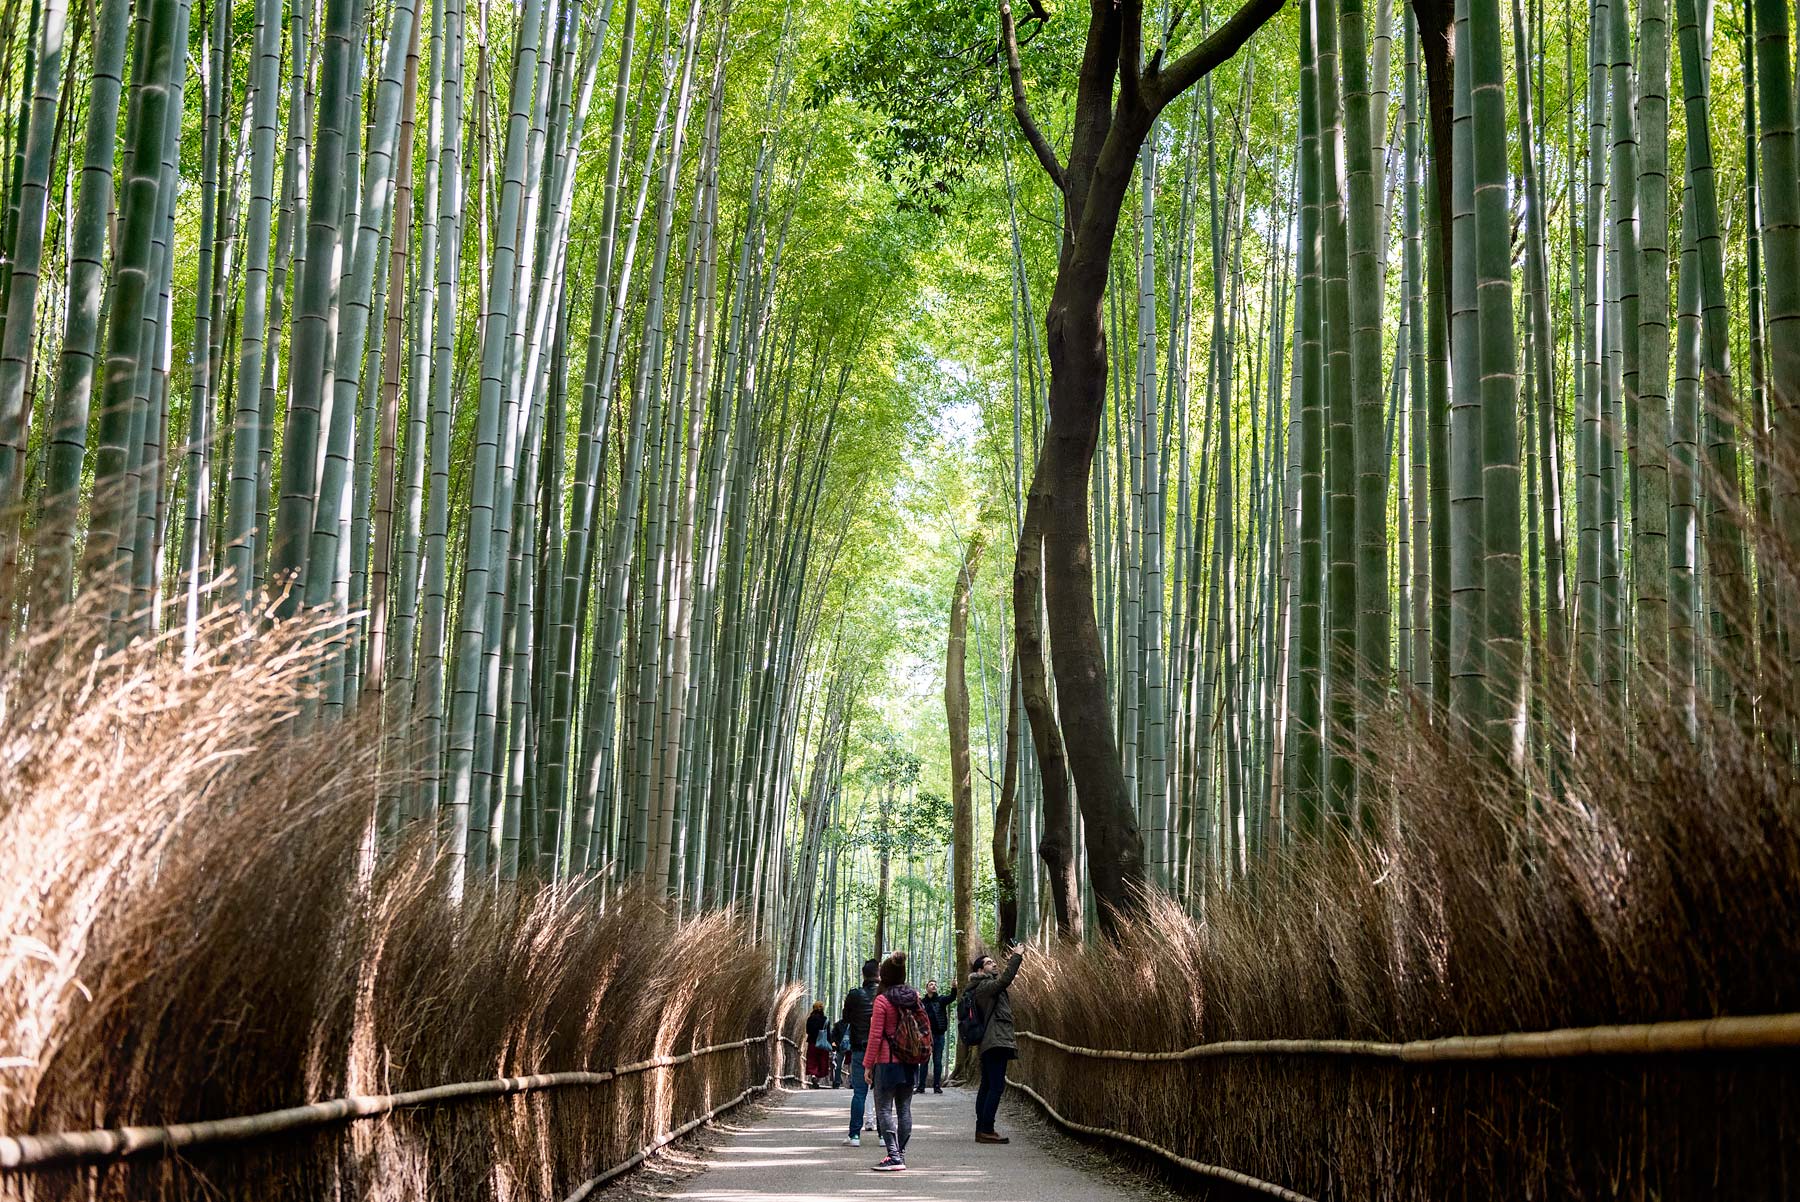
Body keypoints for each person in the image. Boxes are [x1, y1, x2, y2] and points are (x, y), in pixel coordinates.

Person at [863, 950, 929, 1171]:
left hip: (886, 1062)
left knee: (883, 1109)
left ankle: (893, 1156)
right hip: (909, 1061)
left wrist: (867, 1065)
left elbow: (875, 1035)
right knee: (904, 1109)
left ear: (884, 976)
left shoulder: (882, 1001)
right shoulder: (914, 998)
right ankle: (900, 1154)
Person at [965, 942, 1023, 1144]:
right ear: (980, 970)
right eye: (989, 963)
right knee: (996, 1086)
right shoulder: (984, 986)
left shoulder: (984, 986)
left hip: (992, 1041)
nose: (994, 965)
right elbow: (1005, 981)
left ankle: (982, 1128)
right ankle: (986, 1128)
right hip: (994, 1041)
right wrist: (1016, 956)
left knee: (988, 1085)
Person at [839, 958, 879, 1145]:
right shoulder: (886, 994)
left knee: (859, 1093)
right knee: (881, 1093)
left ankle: (854, 1135)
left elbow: (845, 1018)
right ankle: (883, 1136)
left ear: (864, 975)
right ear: (879, 975)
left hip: (860, 1048)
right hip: (881, 1050)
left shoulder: (855, 995)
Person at [918, 979, 956, 1093]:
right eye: (931, 984)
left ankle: (937, 1086)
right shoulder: (922, 1002)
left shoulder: (941, 1000)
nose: (934, 986)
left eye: (935, 984)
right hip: (925, 1036)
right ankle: (921, 1086)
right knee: (924, 1061)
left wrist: (954, 988)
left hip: (939, 1035)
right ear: (927, 988)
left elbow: (952, 998)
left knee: (937, 1061)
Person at [804, 1000, 831, 1087]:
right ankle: (817, 1080)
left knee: (812, 1061)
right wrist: (831, 1045)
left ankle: (813, 1076)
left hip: (812, 1043)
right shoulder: (825, 1020)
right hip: (823, 1044)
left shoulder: (810, 1019)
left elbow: (807, 1031)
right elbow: (828, 1034)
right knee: (822, 1061)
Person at [830, 1016, 850, 1088]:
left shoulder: (838, 1024)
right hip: (844, 1048)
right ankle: (839, 1081)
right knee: (841, 1066)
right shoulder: (853, 1023)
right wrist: (835, 1046)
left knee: (839, 1065)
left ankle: (838, 1081)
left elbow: (832, 1036)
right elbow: (833, 1036)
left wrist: (835, 1045)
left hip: (845, 1048)